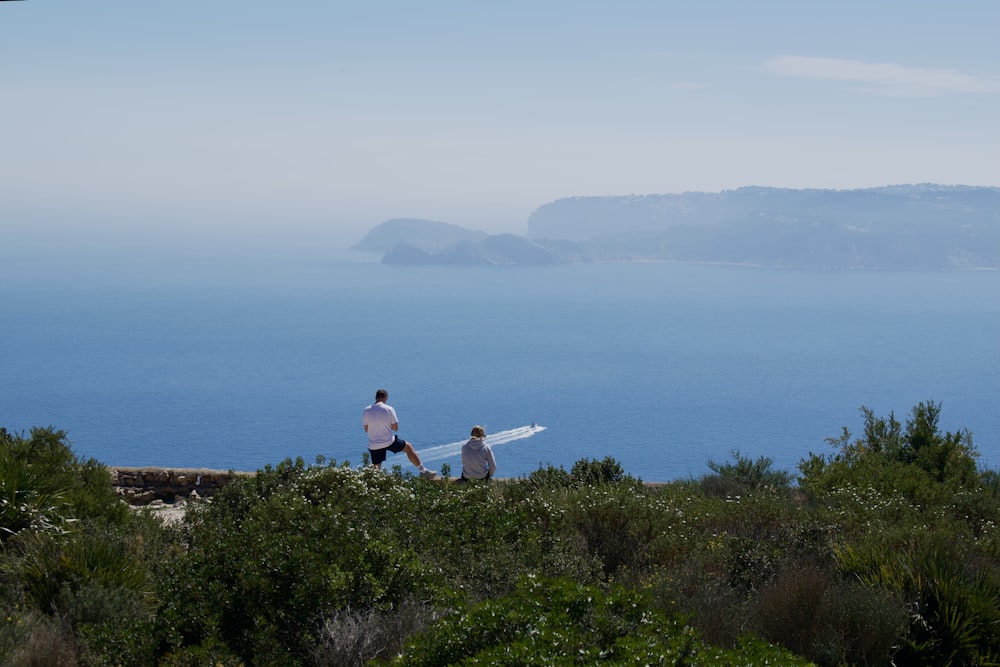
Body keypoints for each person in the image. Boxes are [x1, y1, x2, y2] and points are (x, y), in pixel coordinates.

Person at [362, 388, 438, 478]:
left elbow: (366, 429)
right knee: (408, 447)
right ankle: (423, 471)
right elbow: (395, 428)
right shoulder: (389, 409)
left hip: (374, 444)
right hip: (389, 441)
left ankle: (376, 483)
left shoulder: (366, 410)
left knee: (377, 467)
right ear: (385, 397)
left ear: (376, 397)